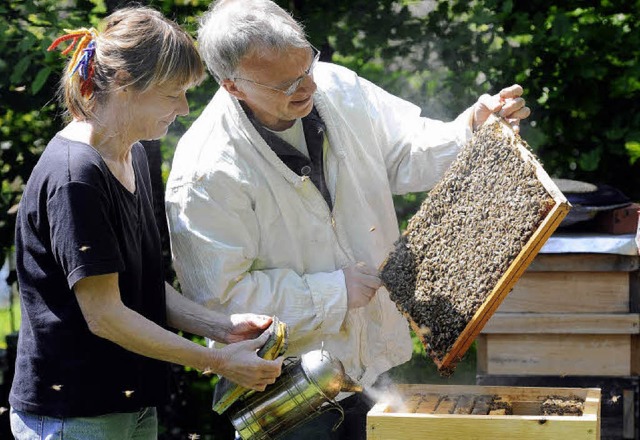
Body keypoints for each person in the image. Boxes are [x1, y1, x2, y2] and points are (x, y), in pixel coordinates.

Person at [165, 0, 531, 438]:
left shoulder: (339, 88)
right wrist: (332, 292)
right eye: (285, 84)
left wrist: (468, 127)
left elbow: (403, 152)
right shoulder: (206, 172)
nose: (306, 88)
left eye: (307, 69)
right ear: (233, 87)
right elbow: (219, 304)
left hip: (374, 360)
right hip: (289, 393)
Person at [9, 6, 283, 440]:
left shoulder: (134, 151)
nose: (184, 107)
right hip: (75, 417)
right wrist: (216, 361)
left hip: (131, 405)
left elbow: (140, 286)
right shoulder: (75, 177)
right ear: (123, 83)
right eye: (173, 92)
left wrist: (220, 328)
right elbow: (106, 316)